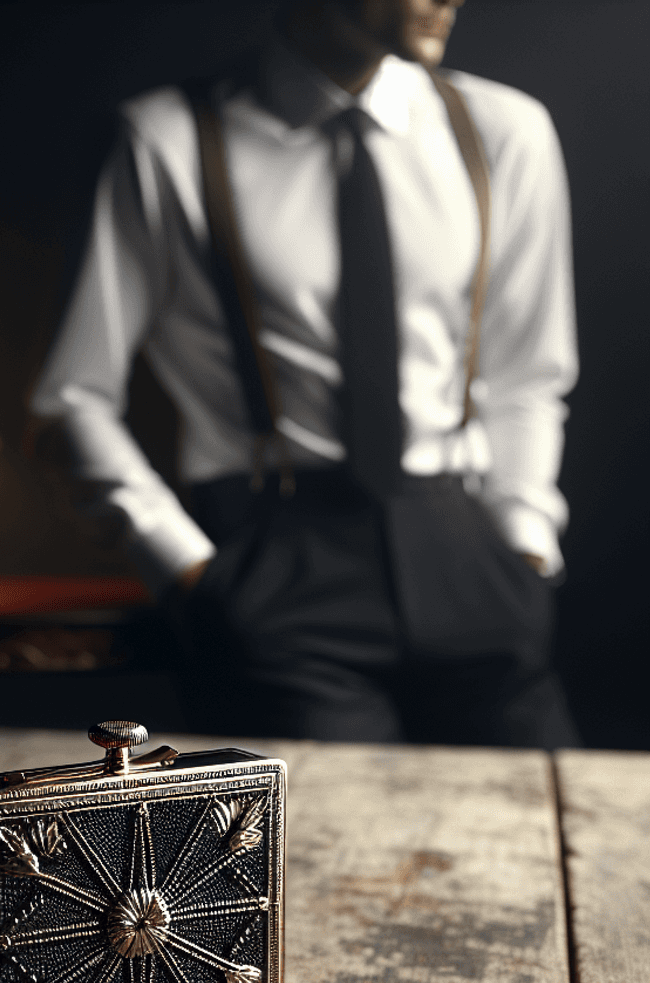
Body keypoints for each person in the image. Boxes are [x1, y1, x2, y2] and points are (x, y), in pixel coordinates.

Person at [29, 0, 579, 747]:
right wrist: (191, 574)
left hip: (466, 550)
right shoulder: (166, 137)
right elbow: (73, 398)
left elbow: (526, 374)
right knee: (320, 853)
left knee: (539, 843)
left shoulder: (504, 132)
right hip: (275, 556)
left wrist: (526, 541)